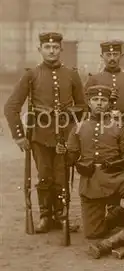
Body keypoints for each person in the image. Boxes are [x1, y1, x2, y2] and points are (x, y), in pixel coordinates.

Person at [4, 32, 86, 233]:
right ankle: (45, 216)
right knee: (44, 177)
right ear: (40, 50)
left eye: (55, 47)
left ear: (61, 50)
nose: (52, 51)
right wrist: (19, 135)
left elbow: (83, 106)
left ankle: (61, 215)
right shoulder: (31, 75)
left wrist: (70, 118)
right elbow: (11, 106)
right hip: (40, 137)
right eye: (47, 48)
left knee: (62, 177)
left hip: (65, 137)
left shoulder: (71, 74)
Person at [61, 85, 124, 239]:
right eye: (95, 100)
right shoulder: (79, 128)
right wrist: (64, 153)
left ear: (109, 103)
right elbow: (71, 159)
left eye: (103, 100)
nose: (99, 103)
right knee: (93, 234)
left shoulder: (119, 126)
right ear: (89, 103)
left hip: (116, 179)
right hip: (91, 183)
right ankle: (115, 216)